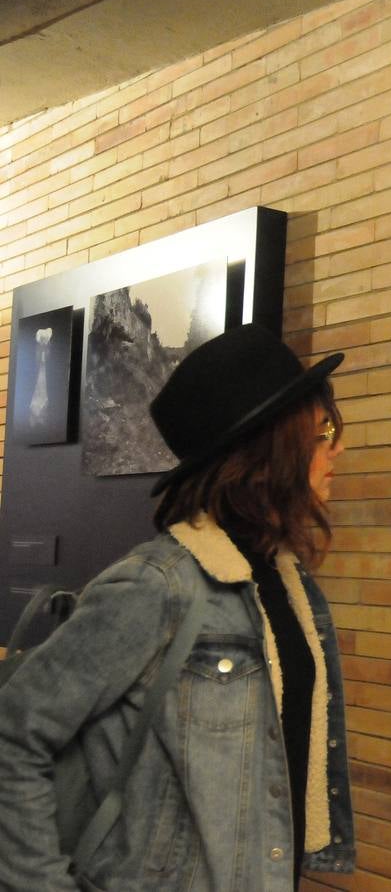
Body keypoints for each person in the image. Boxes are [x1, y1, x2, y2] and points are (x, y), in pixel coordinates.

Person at [0, 324, 356, 890]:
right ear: (270, 450)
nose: (338, 447)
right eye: (324, 430)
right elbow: (14, 732)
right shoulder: (157, 586)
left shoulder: (291, 586)